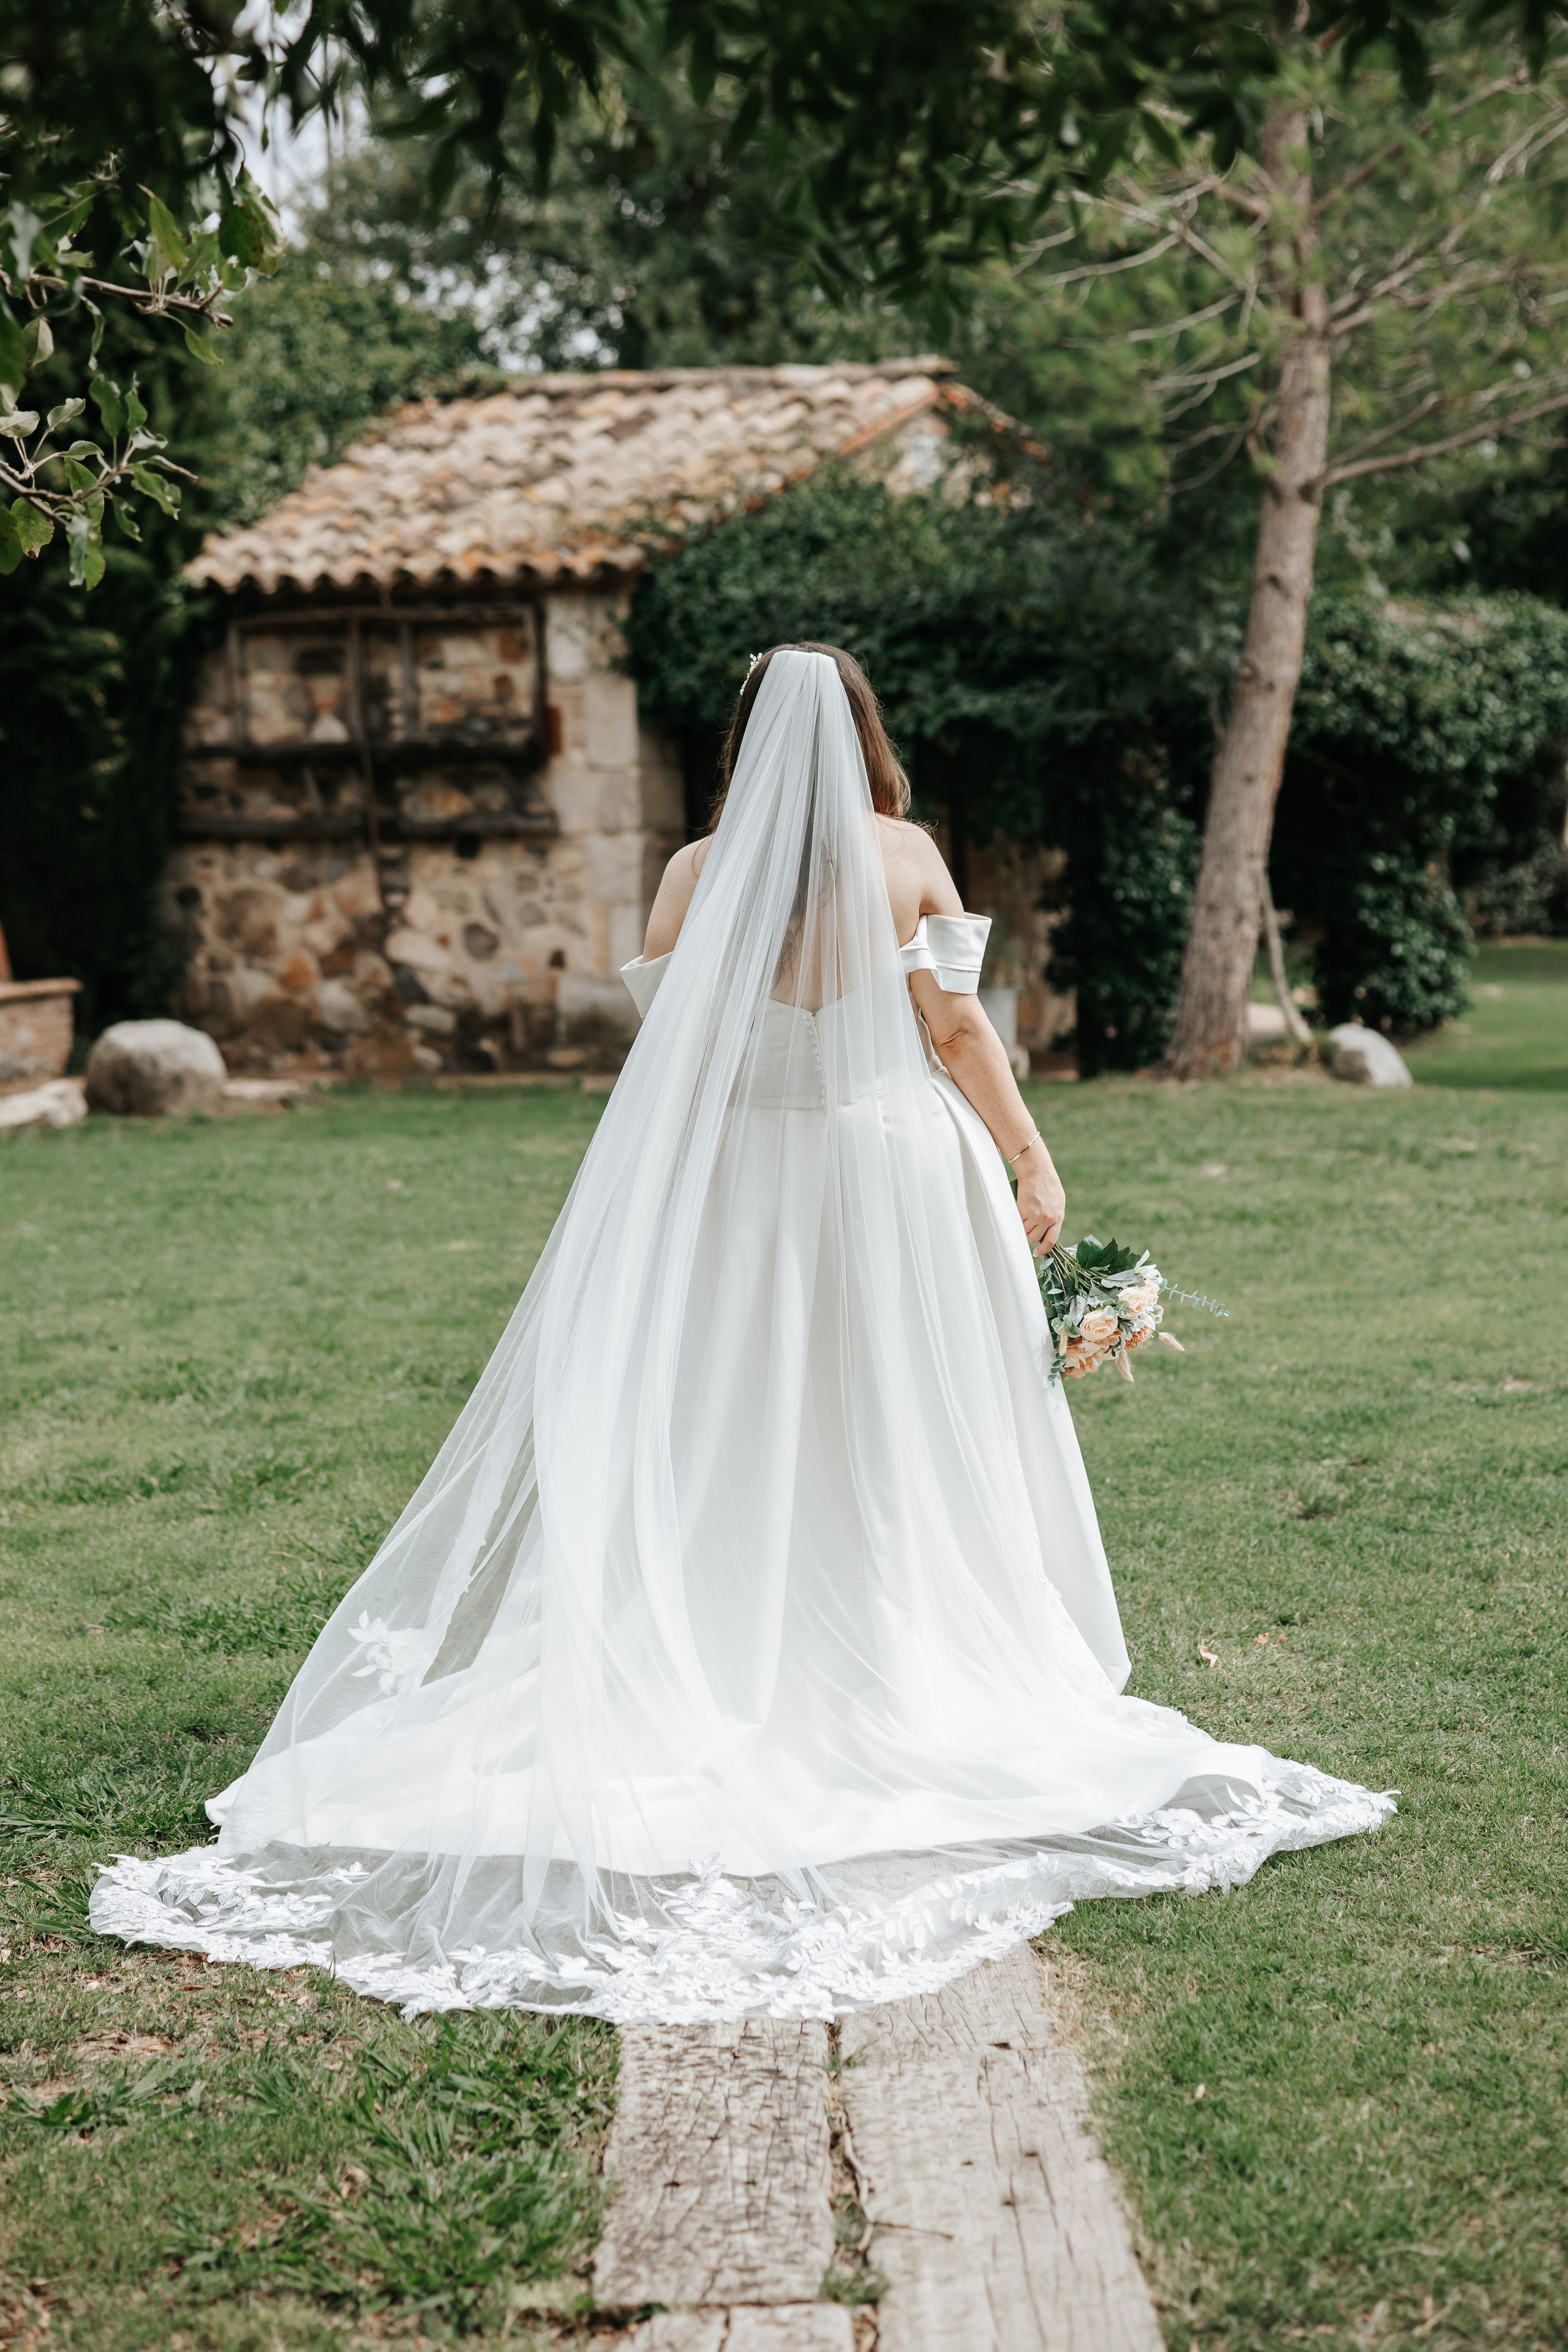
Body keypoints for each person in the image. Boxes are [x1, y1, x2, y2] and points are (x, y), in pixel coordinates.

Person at [91, 646, 1391, 2021]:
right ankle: (903, 1642)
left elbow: (673, 1054)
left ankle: (716, 1635)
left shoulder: (691, 875)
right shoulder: (907, 856)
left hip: (737, 1187)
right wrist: (1030, 1155)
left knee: (731, 1413)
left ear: (746, 742)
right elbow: (955, 1033)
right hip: (890, 1173)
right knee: (894, 1414)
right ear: (863, 734)